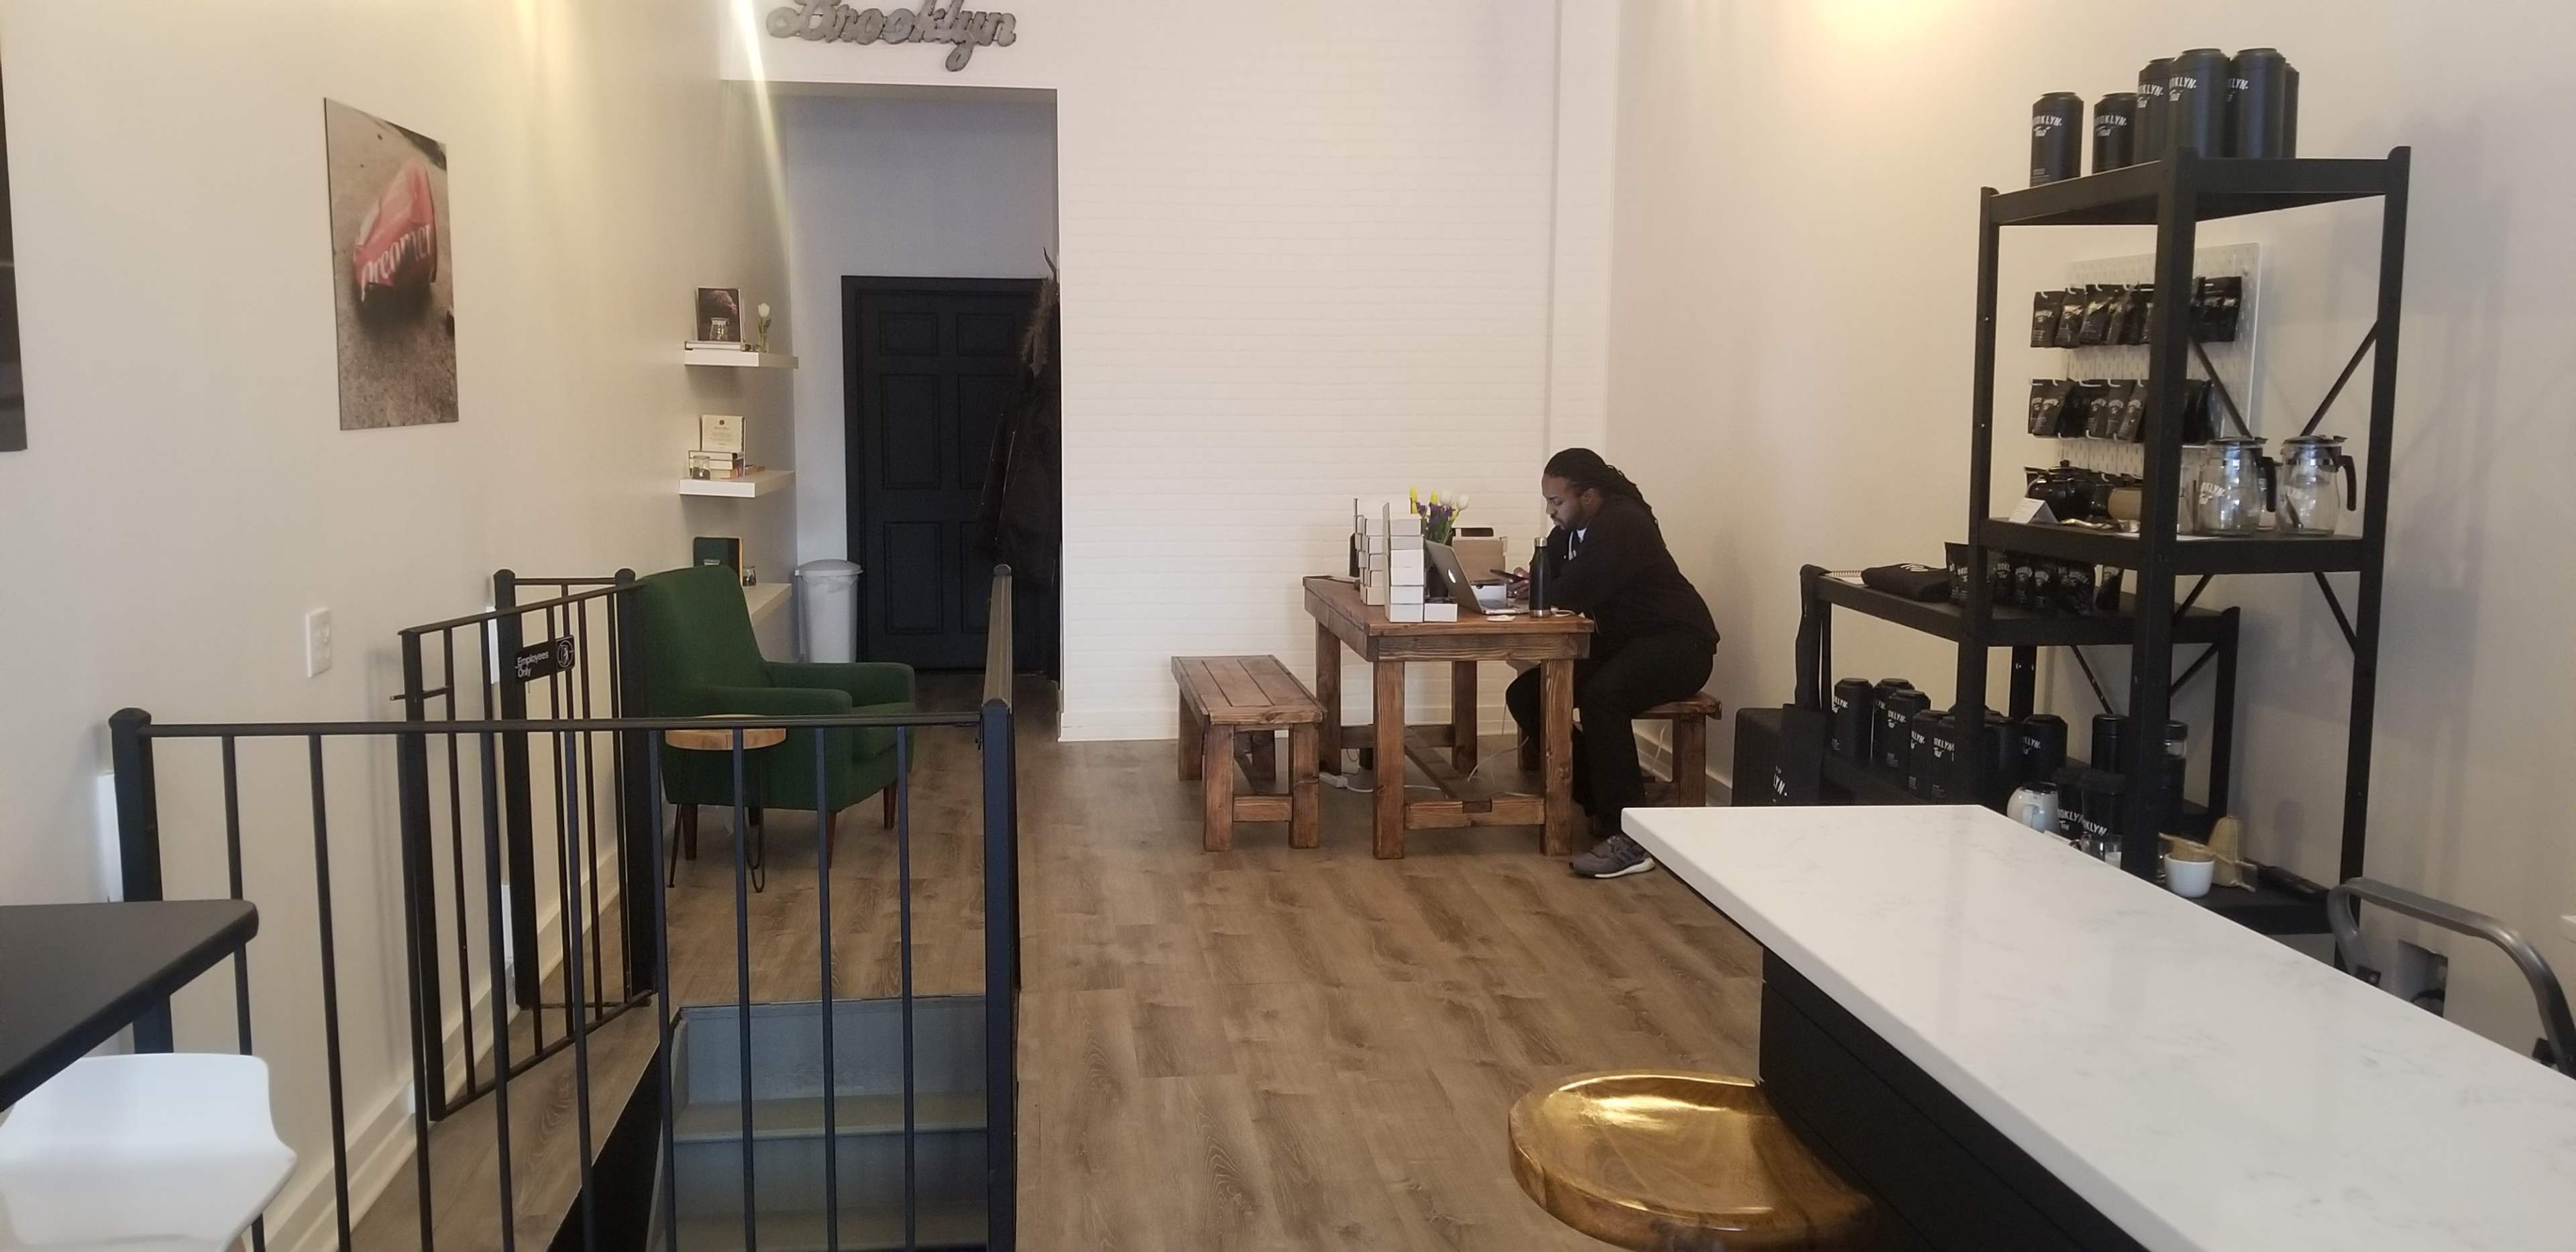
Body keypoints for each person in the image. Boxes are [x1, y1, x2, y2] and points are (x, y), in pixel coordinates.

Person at [1504, 448, 1717, 879]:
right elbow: (1546, 568)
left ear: (1589, 495)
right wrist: (1542, 578)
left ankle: (1632, 838)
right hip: (1626, 644)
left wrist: (1548, 585)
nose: (1551, 512)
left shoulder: (1623, 524)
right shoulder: (1578, 527)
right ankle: (1603, 800)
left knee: (1604, 697)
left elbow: (1576, 589)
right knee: (1529, 694)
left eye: (1556, 502)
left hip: (1679, 646)